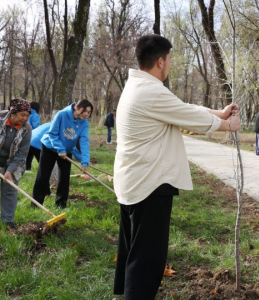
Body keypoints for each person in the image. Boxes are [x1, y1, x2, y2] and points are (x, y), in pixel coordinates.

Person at [113, 34, 240, 300]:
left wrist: (217, 113)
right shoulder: (150, 92)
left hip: (136, 183)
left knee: (135, 255)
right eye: (169, 59)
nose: (170, 64)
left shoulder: (139, 87)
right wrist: (227, 125)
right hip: (149, 185)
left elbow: (181, 108)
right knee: (147, 261)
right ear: (160, 61)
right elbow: (187, 115)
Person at [32, 99, 93, 209]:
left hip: (67, 150)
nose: (86, 114)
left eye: (89, 112)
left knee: (64, 178)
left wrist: (85, 161)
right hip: (49, 147)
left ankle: (61, 205)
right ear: (77, 108)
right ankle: (36, 204)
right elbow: (52, 134)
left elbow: (84, 141)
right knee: (43, 176)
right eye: (85, 111)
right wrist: (60, 149)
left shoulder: (84, 123)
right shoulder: (62, 115)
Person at [0, 99, 32, 229]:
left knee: (10, 191)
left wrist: (10, 171)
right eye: (22, 115)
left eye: (27, 115)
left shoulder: (27, 129)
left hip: (13, 162)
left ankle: (7, 221)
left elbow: (22, 154)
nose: (25, 118)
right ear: (13, 112)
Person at [25, 101, 41, 171]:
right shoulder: (35, 115)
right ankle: (28, 168)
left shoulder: (26, 113)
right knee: (31, 153)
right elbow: (36, 126)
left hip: (24, 135)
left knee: (27, 153)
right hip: (32, 135)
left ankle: (26, 168)